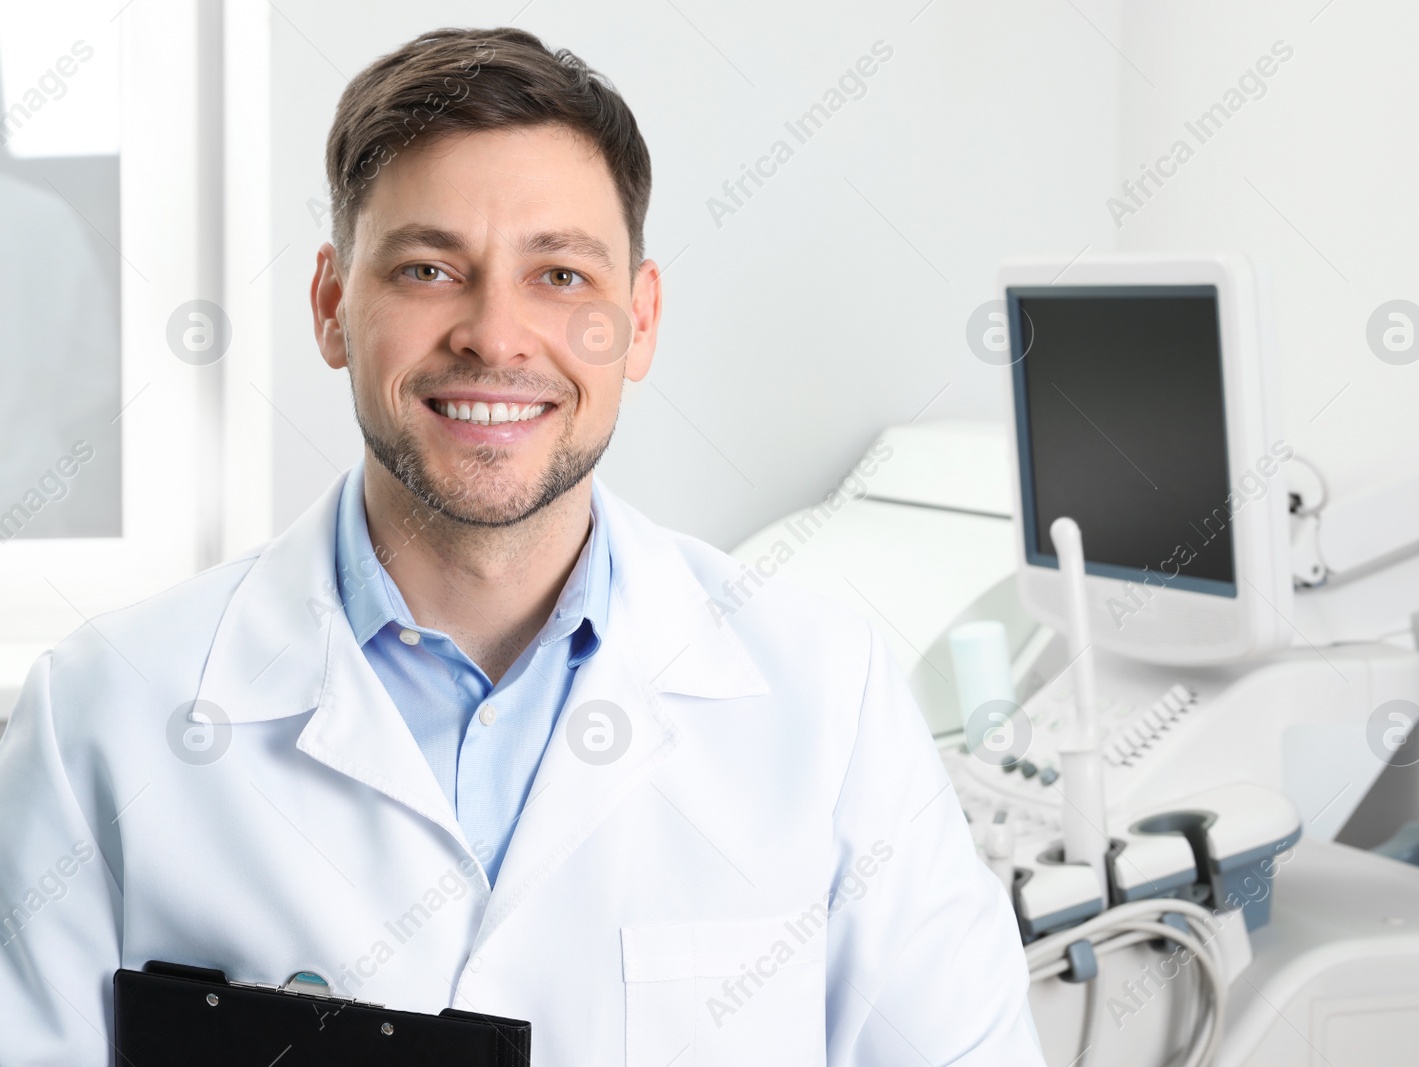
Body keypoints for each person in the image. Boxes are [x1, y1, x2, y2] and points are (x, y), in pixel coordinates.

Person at [0, 26, 1044, 1064]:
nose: (495, 335)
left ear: (638, 322)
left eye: (559, 277)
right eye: (426, 268)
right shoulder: (105, 712)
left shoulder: (829, 701)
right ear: (330, 306)